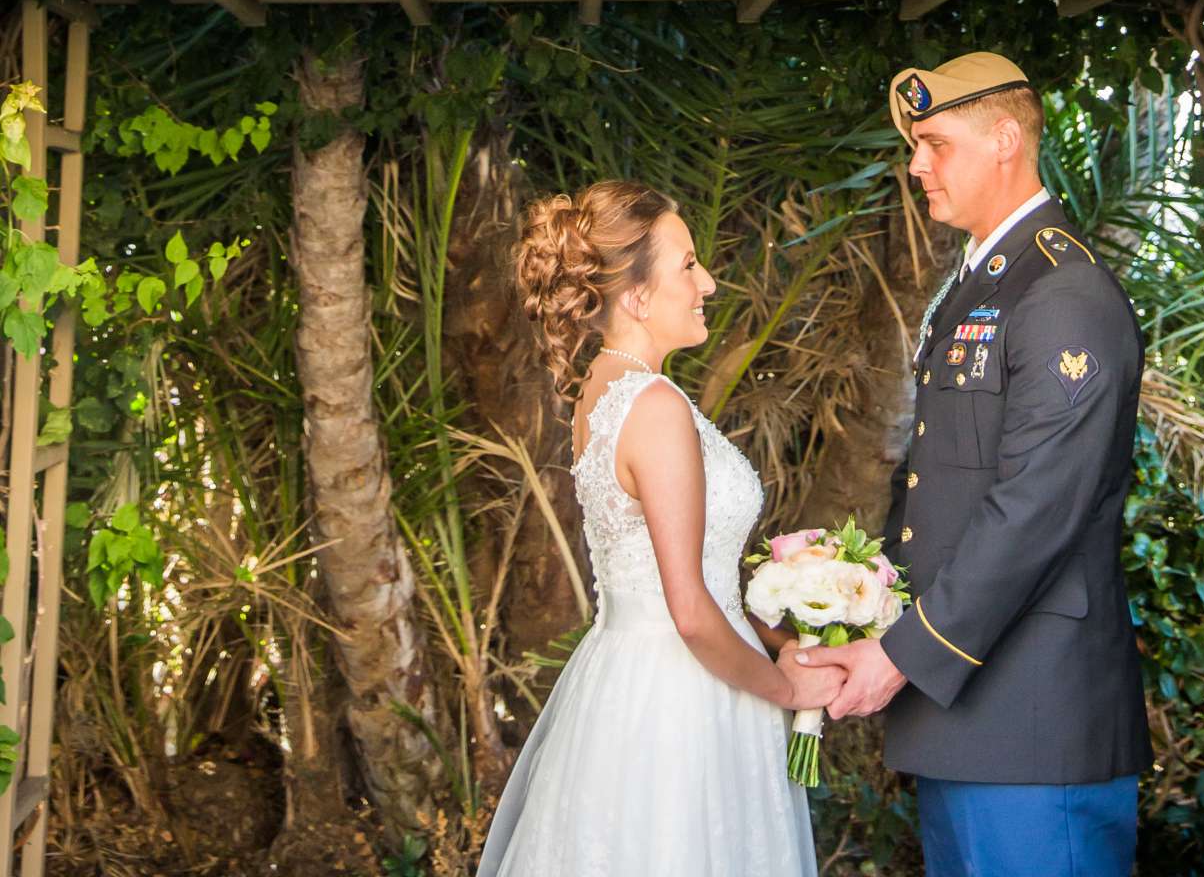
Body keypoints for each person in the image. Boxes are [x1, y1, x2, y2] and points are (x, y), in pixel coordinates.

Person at [795, 49, 1151, 877]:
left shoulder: (1062, 291)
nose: (917, 165)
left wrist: (901, 654)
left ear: (1003, 139)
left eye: (936, 143)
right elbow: (939, 483)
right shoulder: (984, 282)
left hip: (1033, 717)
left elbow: (1037, 505)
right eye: (914, 145)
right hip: (970, 712)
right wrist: (859, 603)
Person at [474, 178, 839, 877]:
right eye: (688, 265)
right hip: (684, 700)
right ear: (637, 297)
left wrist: (783, 637)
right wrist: (788, 690)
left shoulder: (605, 389)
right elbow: (692, 614)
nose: (708, 280)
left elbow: (696, 585)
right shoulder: (655, 406)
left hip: (635, 678)